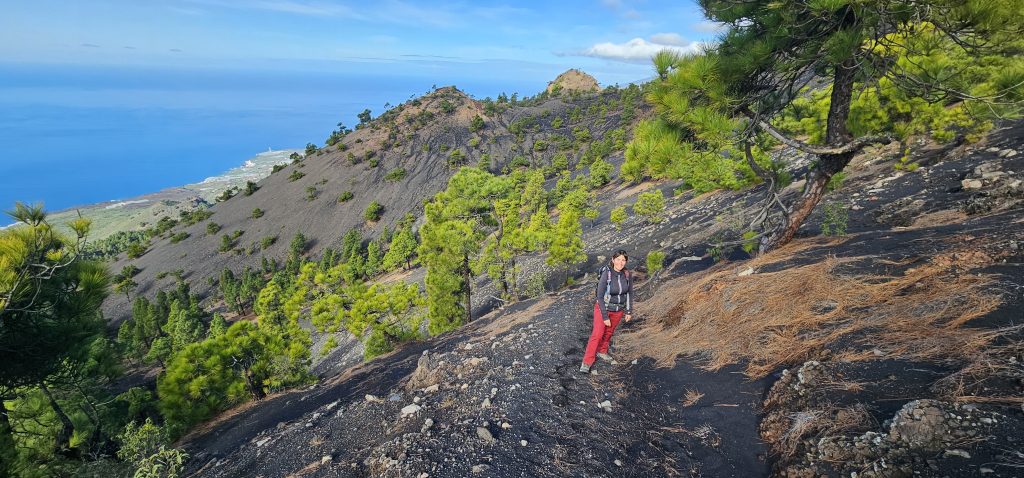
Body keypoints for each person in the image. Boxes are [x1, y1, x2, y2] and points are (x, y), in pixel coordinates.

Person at [580, 250, 633, 373]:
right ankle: (587, 362)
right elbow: (599, 296)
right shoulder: (607, 273)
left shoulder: (627, 274)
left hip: (618, 310)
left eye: (623, 260)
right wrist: (605, 316)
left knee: (609, 332)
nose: (620, 262)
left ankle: (602, 351)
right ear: (613, 260)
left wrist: (629, 311)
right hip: (603, 308)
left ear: (626, 262)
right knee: (597, 334)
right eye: (618, 259)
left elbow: (630, 293)